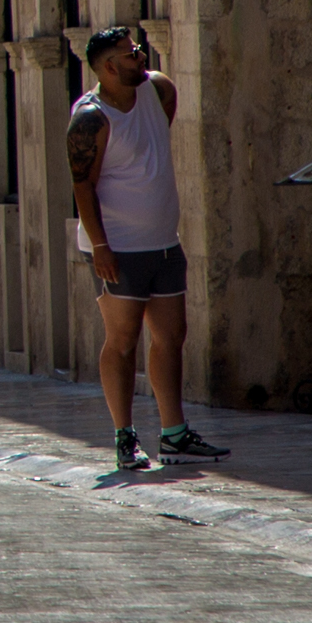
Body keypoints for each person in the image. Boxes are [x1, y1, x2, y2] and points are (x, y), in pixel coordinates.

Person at [67, 25, 228, 471]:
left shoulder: (158, 91)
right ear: (108, 66)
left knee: (172, 335)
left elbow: (153, 141)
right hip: (118, 246)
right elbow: (83, 186)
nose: (140, 55)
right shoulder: (91, 118)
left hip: (163, 242)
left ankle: (174, 434)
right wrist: (100, 245)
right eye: (129, 52)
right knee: (122, 341)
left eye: (137, 49)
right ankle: (124, 437)